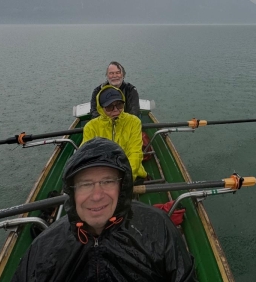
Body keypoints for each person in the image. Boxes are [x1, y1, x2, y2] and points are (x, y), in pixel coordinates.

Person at [12, 138, 197, 282]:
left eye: (107, 181)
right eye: (85, 184)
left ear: (121, 187)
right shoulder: (44, 248)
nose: (97, 195)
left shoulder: (158, 228)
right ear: (72, 191)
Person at [83, 86, 147, 180]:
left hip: (130, 173)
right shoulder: (91, 127)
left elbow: (135, 153)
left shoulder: (134, 122)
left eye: (119, 105)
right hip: (101, 176)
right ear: (101, 108)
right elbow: (87, 156)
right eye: (109, 107)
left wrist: (125, 177)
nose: (116, 110)